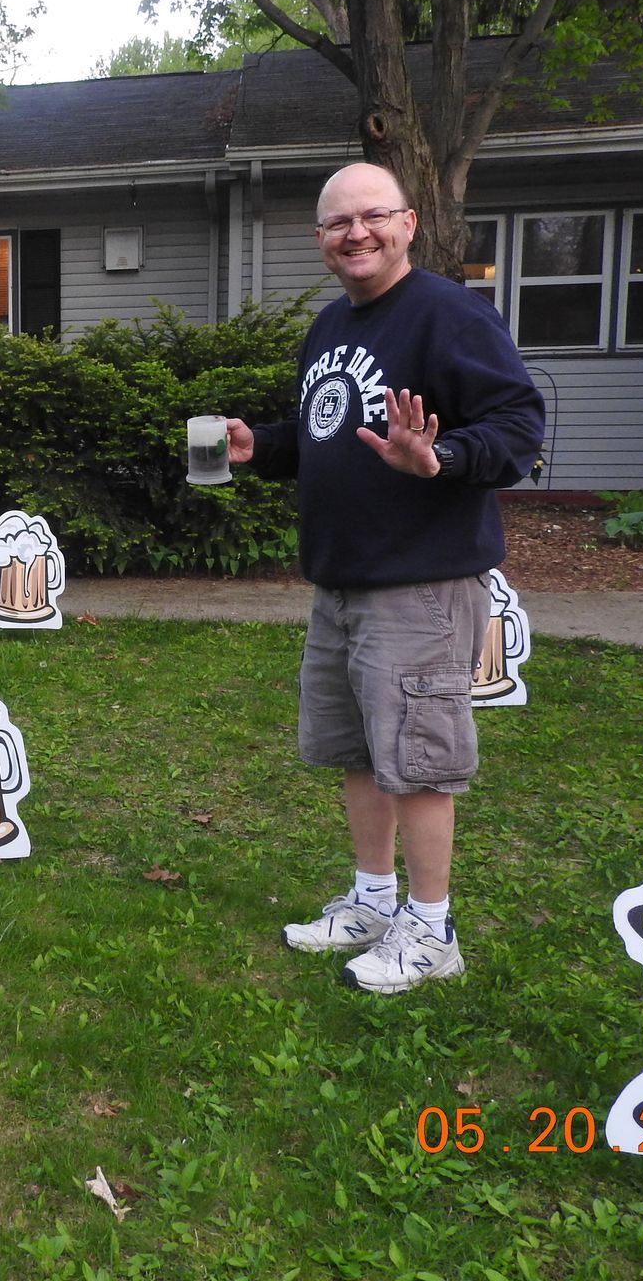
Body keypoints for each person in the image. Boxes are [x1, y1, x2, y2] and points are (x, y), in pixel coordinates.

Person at [224, 162, 544, 994]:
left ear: (406, 223)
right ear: (321, 241)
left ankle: (432, 931)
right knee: (362, 753)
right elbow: (324, 428)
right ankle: (372, 902)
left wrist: (438, 457)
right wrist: (264, 446)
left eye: (372, 216)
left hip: (421, 583)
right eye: (337, 223)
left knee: (421, 760)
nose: (354, 233)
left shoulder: (450, 314)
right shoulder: (332, 325)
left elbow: (517, 427)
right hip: (342, 580)